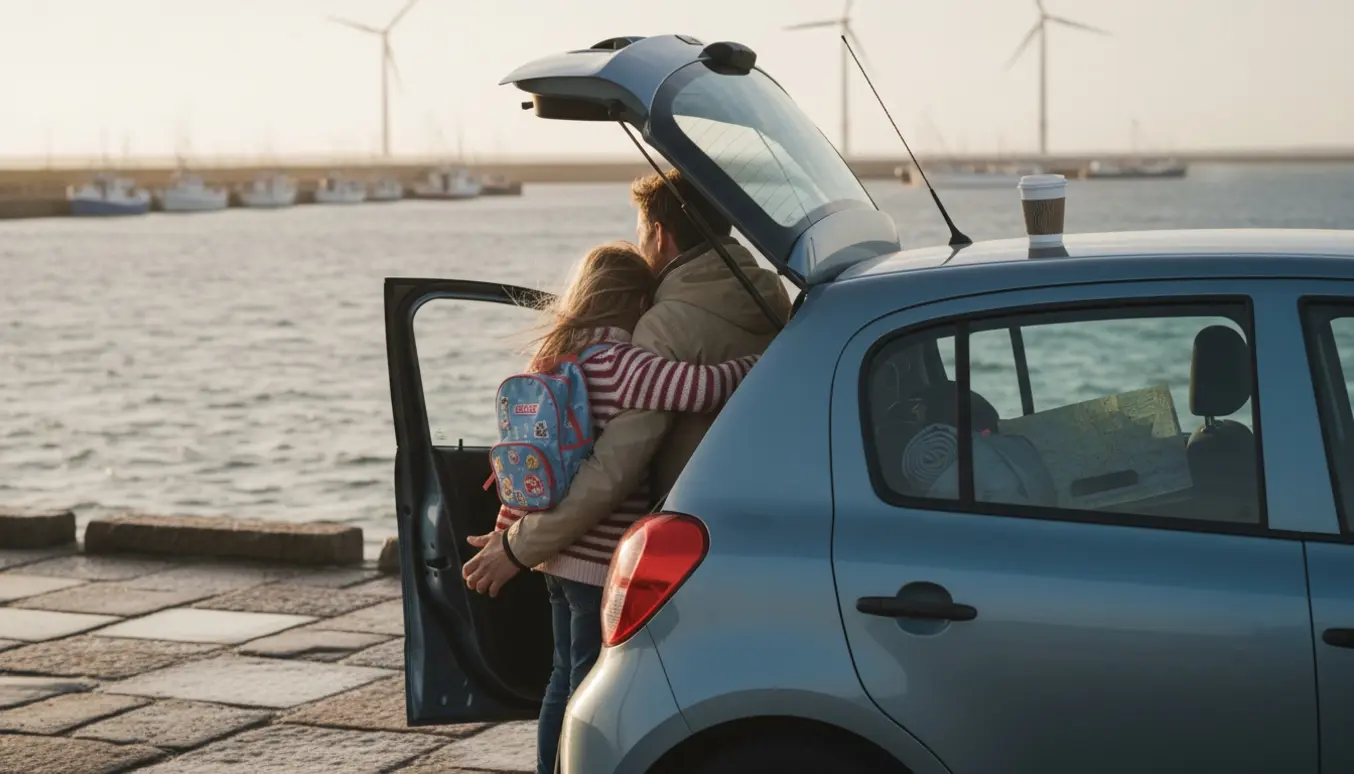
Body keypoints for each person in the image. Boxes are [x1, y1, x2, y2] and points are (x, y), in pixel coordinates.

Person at [463, 170, 791, 772]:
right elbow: (702, 388)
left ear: (660, 233)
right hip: (708, 528)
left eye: (643, 232)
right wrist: (769, 362)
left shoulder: (576, 356)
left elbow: (580, 466)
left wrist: (513, 536)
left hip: (582, 558)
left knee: (572, 678)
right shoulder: (773, 300)